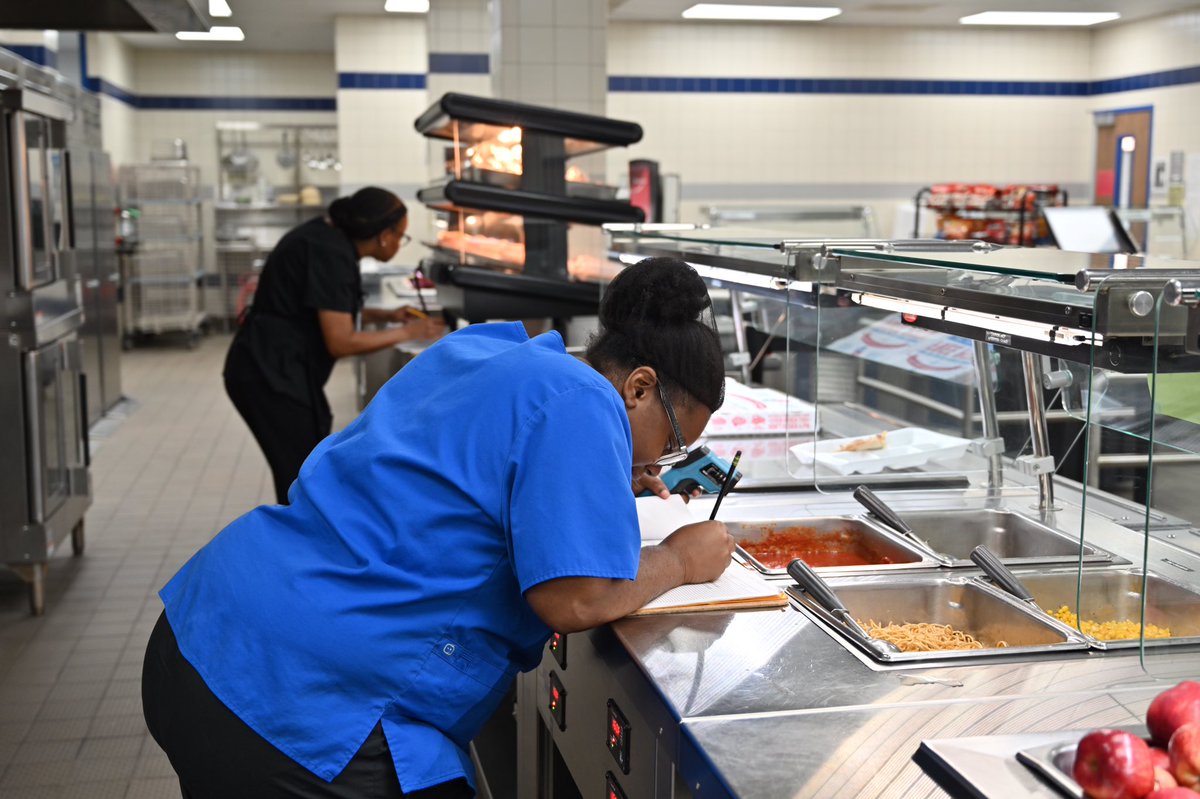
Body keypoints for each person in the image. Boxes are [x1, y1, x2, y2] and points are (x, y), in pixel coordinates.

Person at [142, 256, 734, 798]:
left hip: (203, 636)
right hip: (300, 704)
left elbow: (461, 472)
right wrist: (681, 559)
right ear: (638, 387)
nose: (658, 464)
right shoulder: (583, 402)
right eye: (672, 441)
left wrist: (596, 478)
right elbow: (575, 599)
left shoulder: (491, 349)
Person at [224, 186, 443, 504]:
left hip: (272, 365)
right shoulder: (330, 253)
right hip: (267, 372)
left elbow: (321, 309)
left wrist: (386, 315)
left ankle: (304, 531)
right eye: (401, 236)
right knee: (302, 478)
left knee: (307, 469)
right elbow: (341, 341)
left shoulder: (327, 238)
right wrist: (410, 331)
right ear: (384, 236)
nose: (399, 243)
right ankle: (298, 534)